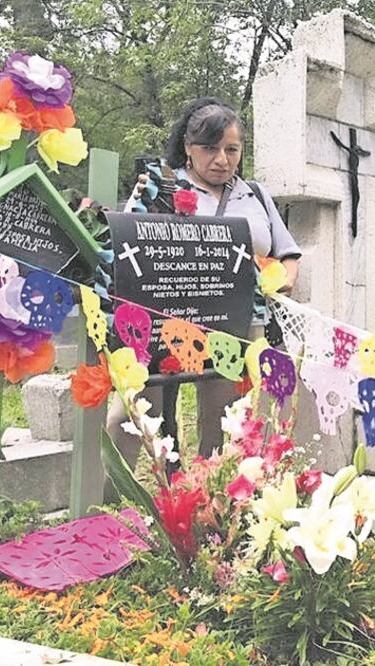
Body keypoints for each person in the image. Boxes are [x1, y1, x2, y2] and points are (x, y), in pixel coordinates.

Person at [108, 97, 301, 462]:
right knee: (132, 416)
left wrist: (283, 280)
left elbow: (287, 252)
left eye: (232, 150)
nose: (222, 160)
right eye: (210, 149)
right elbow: (126, 244)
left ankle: (209, 489)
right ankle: (111, 491)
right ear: (188, 147)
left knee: (224, 420)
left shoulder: (255, 194)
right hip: (165, 321)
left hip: (235, 324)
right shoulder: (161, 187)